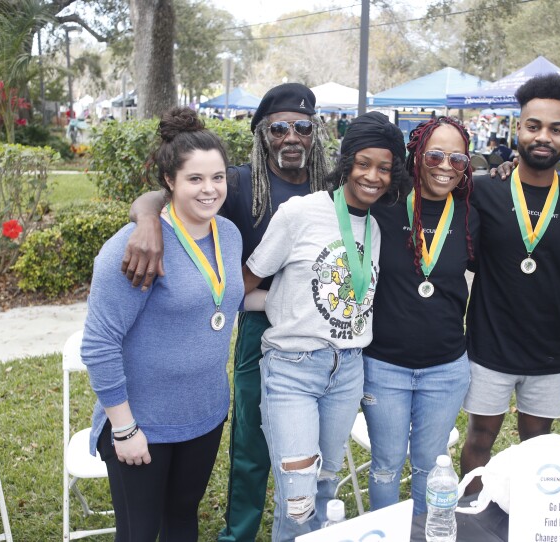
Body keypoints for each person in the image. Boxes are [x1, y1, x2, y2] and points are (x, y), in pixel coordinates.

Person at [122, 83, 329, 542]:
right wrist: (147, 222)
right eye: (279, 127)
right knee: (252, 445)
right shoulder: (235, 181)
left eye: (302, 127)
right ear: (262, 132)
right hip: (261, 325)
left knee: (313, 446)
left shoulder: (328, 184)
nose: (291, 137)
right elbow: (162, 195)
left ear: (315, 133)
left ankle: (310, 528)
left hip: (319, 331)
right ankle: (239, 534)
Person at [242, 111, 410, 541]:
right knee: (297, 498)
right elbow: (247, 285)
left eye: (385, 168)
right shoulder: (300, 212)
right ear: (346, 161)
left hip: (348, 370)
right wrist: (280, 307)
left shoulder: (374, 227)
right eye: (364, 163)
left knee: (324, 486)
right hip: (293, 369)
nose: (373, 176)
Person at [81, 107, 244, 541]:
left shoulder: (228, 233)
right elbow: (99, 343)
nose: (209, 189)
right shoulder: (135, 247)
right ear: (169, 181)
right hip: (142, 423)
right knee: (140, 532)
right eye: (195, 179)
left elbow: (226, 297)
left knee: (182, 522)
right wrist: (125, 428)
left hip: (204, 415)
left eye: (218, 177)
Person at [459, 74, 560, 495]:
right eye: (533, 125)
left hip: (549, 348)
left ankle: (530, 520)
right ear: (517, 128)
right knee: (479, 440)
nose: (543, 137)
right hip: (490, 344)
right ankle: (468, 515)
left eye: (556, 129)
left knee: (538, 446)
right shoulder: (483, 191)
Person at [362, 117, 478, 515]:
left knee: (431, 467)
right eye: (435, 155)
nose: (446, 166)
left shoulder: (470, 213)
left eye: (458, 159)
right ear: (417, 154)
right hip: (384, 365)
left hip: (446, 368)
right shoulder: (383, 205)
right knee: (385, 467)